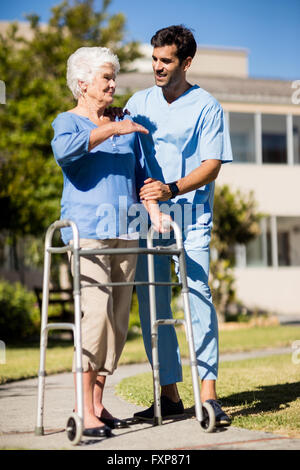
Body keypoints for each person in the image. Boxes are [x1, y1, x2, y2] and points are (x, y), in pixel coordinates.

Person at [51, 46, 169, 438]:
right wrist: (112, 129)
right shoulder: (68, 122)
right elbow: (64, 153)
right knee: (96, 316)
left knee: (118, 322)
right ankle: (82, 409)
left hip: (128, 230)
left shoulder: (127, 126)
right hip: (88, 233)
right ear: (82, 84)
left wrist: (155, 213)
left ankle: (98, 404)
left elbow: (142, 177)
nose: (113, 84)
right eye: (106, 78)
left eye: (113, 77)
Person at [125, 25, 233, 426]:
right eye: (154, 58)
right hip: (146, 215)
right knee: (152, 303)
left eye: (165, 60)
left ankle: (208, 396)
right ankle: (169, 395)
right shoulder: (138, 102)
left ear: (186, 62)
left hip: (190, 213)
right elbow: (129, 155)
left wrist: (171, 188)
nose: (157, 66)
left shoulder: (207, 106)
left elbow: (212, 165)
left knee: (197, 298)